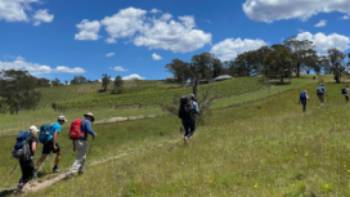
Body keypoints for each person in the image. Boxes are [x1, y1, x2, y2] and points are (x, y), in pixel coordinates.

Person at [13, 126, 39, 190]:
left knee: (24, 173)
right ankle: (31, 185)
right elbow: (33, 148)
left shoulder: (25, 137)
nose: (36, 133)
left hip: (21, 157)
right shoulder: (33, 137)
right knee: (32, 172)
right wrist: (32, 155)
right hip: (28, 157)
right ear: (33, 131)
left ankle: (20, 185)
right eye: (36, 131)